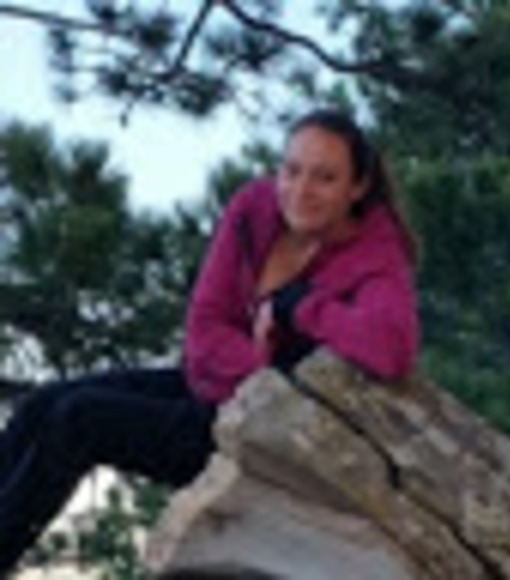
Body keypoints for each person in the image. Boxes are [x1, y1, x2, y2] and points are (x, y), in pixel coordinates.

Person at [0, 109, 419, 576]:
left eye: (325, 178)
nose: (301, 190)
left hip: (253, 432)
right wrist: (261, 366)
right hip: (212, 385)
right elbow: (204, 325)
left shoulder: (376, 252)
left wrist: (298, 308)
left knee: (78, 420)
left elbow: (391, 347)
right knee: (40, 406)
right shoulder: (254, 208)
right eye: (292, 170)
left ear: (357, 187)